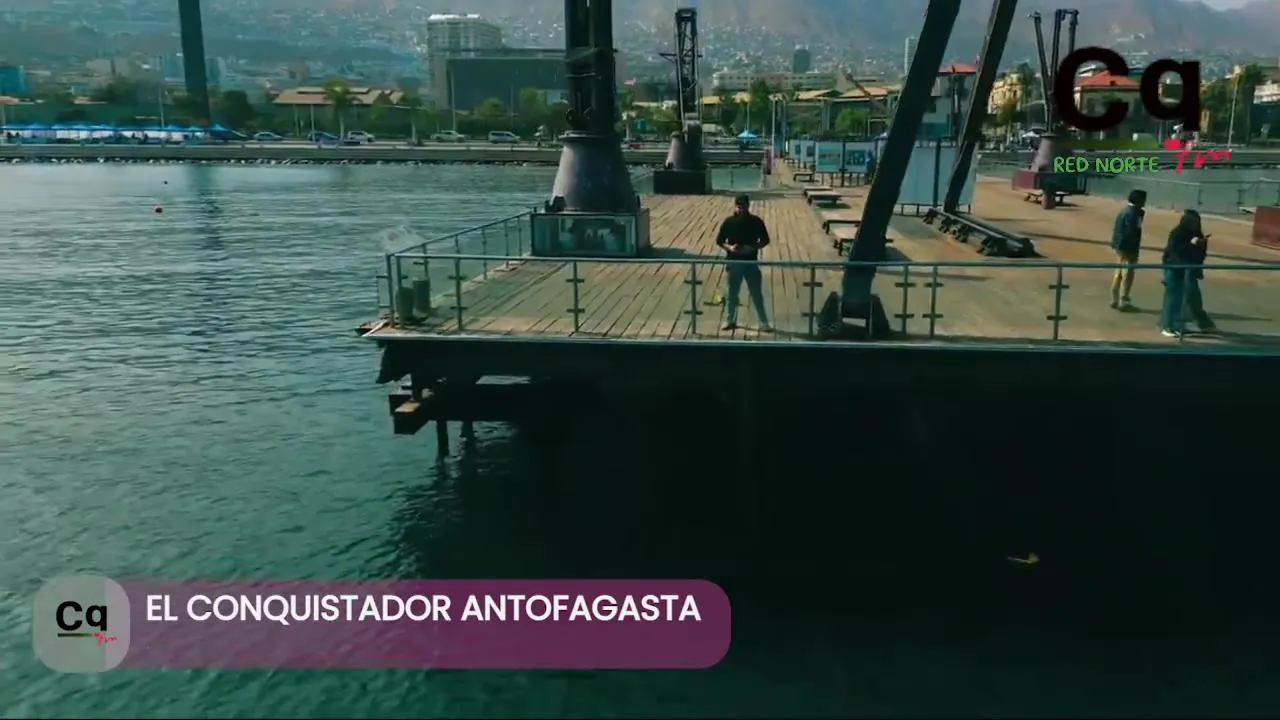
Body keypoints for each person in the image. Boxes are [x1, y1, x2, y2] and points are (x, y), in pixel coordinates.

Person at [715, 194, 773, 332]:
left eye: (743, 207)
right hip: (733, 261)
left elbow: (765, 240)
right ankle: (730, 320)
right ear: (735, 206)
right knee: (731, 294)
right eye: (739, 207)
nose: (741, 209)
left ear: (748, 206)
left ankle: (763, 322)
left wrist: (753, 248)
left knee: (756, 293)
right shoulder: (728, 222)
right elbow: (719, 241)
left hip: (751, 262)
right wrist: (730, 248)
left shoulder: (756, 222)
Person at [1160, 209, 1216, 338]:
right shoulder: (1177, 233)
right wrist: (1192, 244)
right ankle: (1168, 326)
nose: (1196, 225)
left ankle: (1200, 323)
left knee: (1193, 297)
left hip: (1189, 270)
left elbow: (1201, 254)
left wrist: (1200, 244)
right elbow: (1176, 252)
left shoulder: (1197, 234)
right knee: (1174, 298)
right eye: (1193, 222)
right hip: (1175, 268)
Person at [1109, 189, 1147, 310]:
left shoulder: (1125, 210)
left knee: (1118, 272)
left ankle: (1114, 298)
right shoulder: (1133, 214)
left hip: (1120, 245)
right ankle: (1123, 301)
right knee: (1128, 274)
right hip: (1128, 247)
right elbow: (1132, 232)